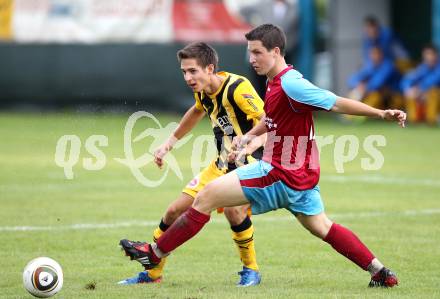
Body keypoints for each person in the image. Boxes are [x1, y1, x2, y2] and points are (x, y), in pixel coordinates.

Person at [120, 24, 406, 288]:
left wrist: (380, 113)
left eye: (257, 52)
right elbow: (273, 119)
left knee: (205, 197)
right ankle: (380, 271)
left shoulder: (291, 84)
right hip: (303, 177)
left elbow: (334, 102)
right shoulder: (274, 82)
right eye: (250, 53)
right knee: (322, 227)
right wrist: (249, 137)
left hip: (278, 172)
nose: (252, 59)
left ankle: (154, 254)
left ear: (276, 52)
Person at [119, 42, 266, 287]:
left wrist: (249, 144)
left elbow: (270, 123)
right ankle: (153, 274)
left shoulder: (238, 88)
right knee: (173, 211)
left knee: (234, 211)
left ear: (209, 68)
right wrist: (169, 143)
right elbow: (196, 111)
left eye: (193, 71)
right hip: (219, 164)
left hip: (249, 163)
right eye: (184, 72)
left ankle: (251, 270)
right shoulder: (202, 90)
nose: (188, 77)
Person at [401, 44, 440, 124]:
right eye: (426, 54)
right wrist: (407, 89)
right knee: (410, 93)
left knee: (433, 92)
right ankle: (414, 120)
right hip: (422, 95)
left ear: (436, 55)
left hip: (434, 97)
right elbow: (408, 79)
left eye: (430, 54)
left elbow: (434, 81)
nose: (428, 57)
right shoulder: (423, 67)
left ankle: (432, 120)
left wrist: (420, 90)